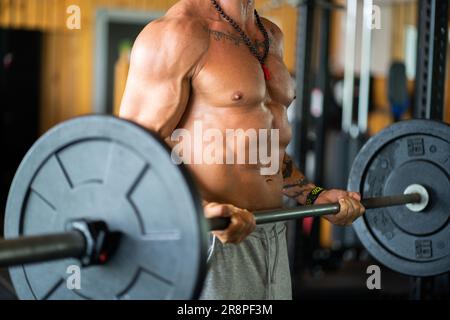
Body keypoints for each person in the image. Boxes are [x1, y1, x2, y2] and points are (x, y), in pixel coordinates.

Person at [120, 0, 365, 299]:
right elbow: (131, 152)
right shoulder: (178, 33)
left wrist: (314, 195)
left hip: (272, 234)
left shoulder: (271, 36)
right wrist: (198, 211)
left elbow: (265, 148)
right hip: (213, 235)